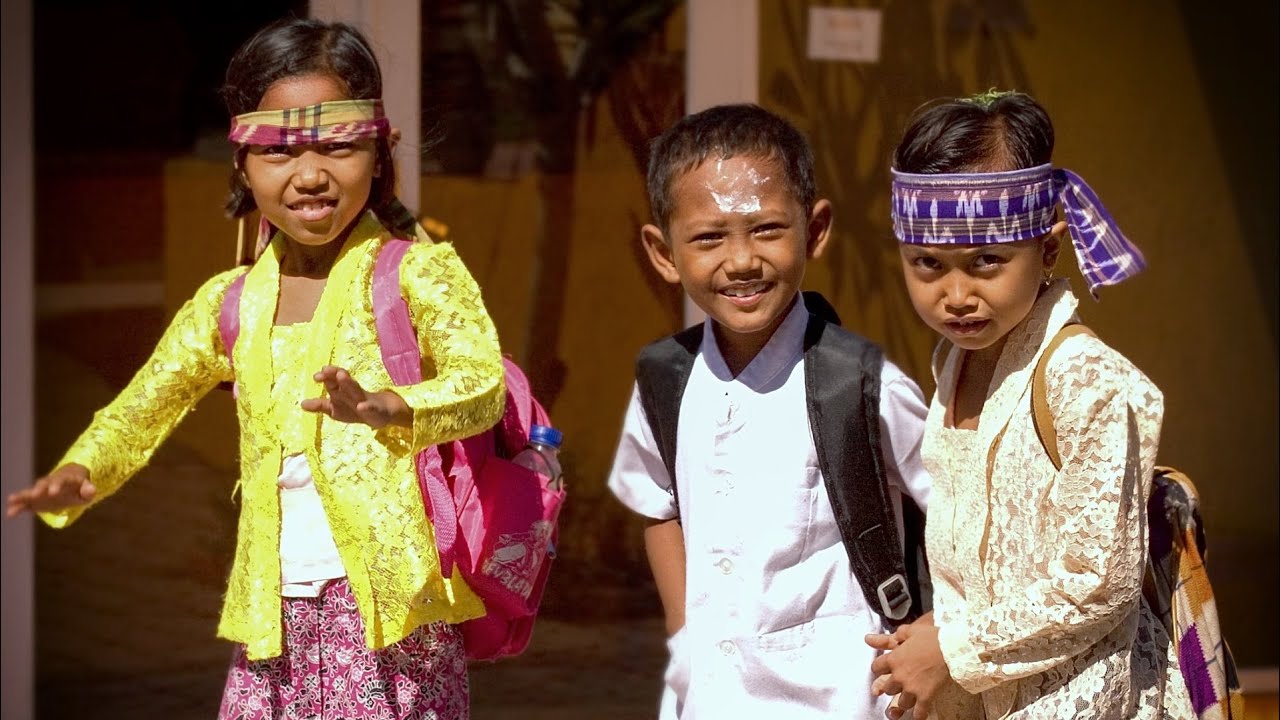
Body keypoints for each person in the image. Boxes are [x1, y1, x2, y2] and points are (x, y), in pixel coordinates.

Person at [5, 17, 507, 719]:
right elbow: (142, 406)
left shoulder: (416, 273)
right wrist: (85, 471)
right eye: (280, 154)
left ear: (379, 149)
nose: (310, 176)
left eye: (337, 147)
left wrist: (391, 407)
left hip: (393, 630)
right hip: (269, 628)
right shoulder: (228, 302)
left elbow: (481, 385)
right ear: (242, 165)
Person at [865, 90, 1196, 719]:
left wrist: (955, 648)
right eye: (927, 263)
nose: (956, 294)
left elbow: (1099, 582)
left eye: (987, 261)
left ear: (1048, 249)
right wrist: (940, 637)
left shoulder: (1090, 382)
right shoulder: (956, 359)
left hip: (1082, 700)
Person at [607, 103, 933, 718]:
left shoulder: (862, 387)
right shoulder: (665, 379)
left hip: (843, 695)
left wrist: (937, 636)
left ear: (816, 229)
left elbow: (961, 516)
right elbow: (658, 506)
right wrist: (686, 632)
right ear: (663, 252)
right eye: (708, 237)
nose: (741, 261)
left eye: (766, 229)